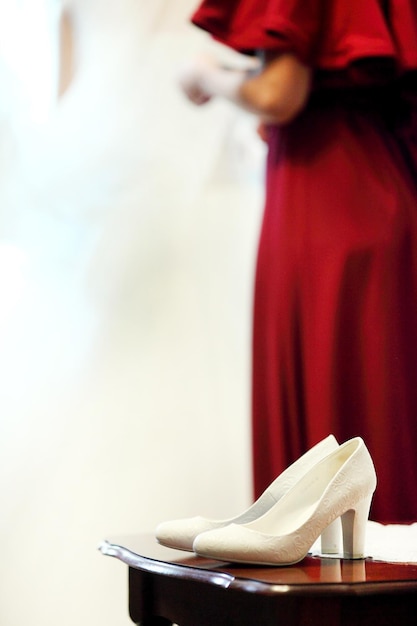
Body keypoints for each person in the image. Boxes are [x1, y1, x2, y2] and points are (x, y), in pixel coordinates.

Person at [180, 0, 417, 523]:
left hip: (324, 202)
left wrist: (204, 73)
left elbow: (279, 93)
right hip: (384, 192)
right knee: (383, 416)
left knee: (333, 435)